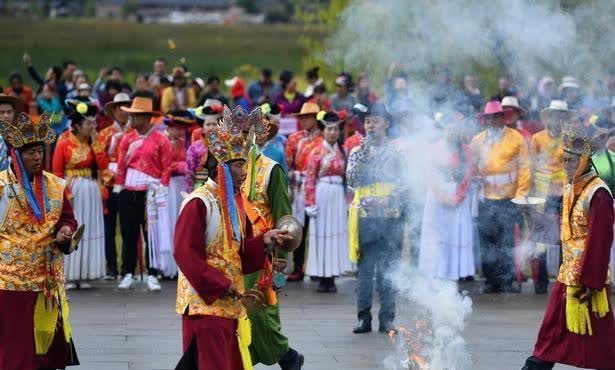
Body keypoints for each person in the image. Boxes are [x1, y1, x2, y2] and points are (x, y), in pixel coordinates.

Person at [173, 105, 291, 370]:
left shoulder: (235, 205)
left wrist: (266, 241)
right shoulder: (198, 203)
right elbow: (185, 255)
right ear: (222, 167)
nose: (245, 172)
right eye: (238, 166)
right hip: (205, 306)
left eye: (244, 165)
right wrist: (221, 283)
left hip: (231, 308)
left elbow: (241, 254)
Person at [521, 125, 615, 370]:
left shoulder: (599, 194)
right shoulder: (569, 188)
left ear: (584, 160)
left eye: (571, 161)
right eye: (563, 161)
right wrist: (533, 217)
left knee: (601, 342)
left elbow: (600, 243)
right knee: (551, 334)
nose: (566, 166)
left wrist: (590, 283)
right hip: (567, 275)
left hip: (586, 280)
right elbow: (563, 233)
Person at [0, 111, 79, 370]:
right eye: (30, 152)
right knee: (14, 350)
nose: (37, 157)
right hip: (9, 283)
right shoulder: (1, 187)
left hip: (46, 280)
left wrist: (65, 233)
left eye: (39, 151)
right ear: (16, 155)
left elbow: (68, 220)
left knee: (43, 350)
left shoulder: (55, 186)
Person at [240, 106, 304, 370]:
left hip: (263, 254)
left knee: (261, 313)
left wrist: (281, 261)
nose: (241, 139)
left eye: (246, 133)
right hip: (236, 251)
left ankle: (288, 358)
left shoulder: (271, 170)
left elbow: (284, 220)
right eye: (237, 134)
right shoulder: (227, 170)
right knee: (239, 314)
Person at [346, 103, 403, 334]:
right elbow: (351, 181)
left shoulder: (396, 153)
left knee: (388, 269)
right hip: (365, 217)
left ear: (386, 124)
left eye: (376, 121)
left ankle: (387, 318)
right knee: (365, 269)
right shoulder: (356, 151)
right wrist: (363, 155)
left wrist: (390, 197)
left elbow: (406, 182)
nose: (371, 126)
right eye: (368, 121)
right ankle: (363, 317)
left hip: (389, 215)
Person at [471, 101, 530, 293]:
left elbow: (525, 168)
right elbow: (470, 166)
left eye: (496, 116)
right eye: (489, 117)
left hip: (509, 197)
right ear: (485, 119)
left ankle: (507, 280)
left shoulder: (516, 138)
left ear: (503, 118)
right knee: (487, 239)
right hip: (485, 197)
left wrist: (521, 195)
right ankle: (490, 280)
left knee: (506, 241)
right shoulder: (478, 140)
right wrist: (474, 177)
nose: (493, 120)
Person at [115, 97, 172, 291]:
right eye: (131, 115)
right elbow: (121, 165)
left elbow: (166, 167)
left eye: (135, 116)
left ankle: (153, 273)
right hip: (129, 191)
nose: (131, 118)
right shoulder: (127, 138)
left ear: (147, 118)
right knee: (128, 234)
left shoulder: (161, 140)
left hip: (151, 193)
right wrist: (119, 187)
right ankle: (128, 273)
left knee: (151, 235)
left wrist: (162, 189)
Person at [53, 99, 107, 289]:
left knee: (89, 228)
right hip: (73, 189)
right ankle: (70, 274)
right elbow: (57, 172)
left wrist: (96, 144)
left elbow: (103, 165)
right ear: (76, 125)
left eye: (94, 123)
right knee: (72, 228)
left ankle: (86, 274)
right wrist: (66, 193)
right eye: (88, 124)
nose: (93, 127)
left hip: (91, 189)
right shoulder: (64, 142)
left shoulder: (94, 142)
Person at [419, 113, 475, 281]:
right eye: (448, 127)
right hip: (438, 194)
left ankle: (454, 272)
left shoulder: (466, 150)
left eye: (455, 128)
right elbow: (430, 175)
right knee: (438, 234)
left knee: (454, 233)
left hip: (458, 193)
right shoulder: (434, 148)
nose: (451, 131)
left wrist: (459, 196)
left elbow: (468, 174)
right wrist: (443, 197)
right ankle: (437, 271)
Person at [304, 111, 351, 292]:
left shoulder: (343, 151)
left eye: (336, 129)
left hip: (338, 194)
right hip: (322, 193)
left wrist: (349, 200)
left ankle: (332, 275)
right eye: (329, 129)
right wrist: (310, 203)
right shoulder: (316, 151)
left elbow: (348, 178)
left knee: (336, 232)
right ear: (323, 131)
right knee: (322, 233)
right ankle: (322, 276)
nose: (332, 133)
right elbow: (309, 178)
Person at [528, 100, 567, 294]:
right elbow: (531, 165)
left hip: (564, 193)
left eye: (561, 115)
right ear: (548, 117)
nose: (557, 119)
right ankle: (540, 283)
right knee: (542, 239)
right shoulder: (537, 138)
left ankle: (564, 280)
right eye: (554, 115)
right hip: (543, 194)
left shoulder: (570, 138)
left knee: (565, 236)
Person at [284, 102, 323, 281]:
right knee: (299, 228)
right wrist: (292, 186)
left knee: (318, 228)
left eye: (308, 117)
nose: (305, 121)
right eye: (302, 118)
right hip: (300, 189)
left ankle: (318, 268)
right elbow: (288, 166)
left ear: (315, 119)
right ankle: (298, 267)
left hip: (319, 188)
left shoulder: (324, 139)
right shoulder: (294, 139)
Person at [97, 92, 132, 280]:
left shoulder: (134, 133)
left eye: (127, 107)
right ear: (114, 110)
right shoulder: (104, 134)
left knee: (128, 227)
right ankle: (111, 266)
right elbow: (98, 159)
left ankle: (127, 267)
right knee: (109, 227)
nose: (123, 111)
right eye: (120, 107)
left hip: (128, 183)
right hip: (109, 184)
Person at [164, 110, 193, 278]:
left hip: (185, 184)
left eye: (183, 127)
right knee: (171, 222)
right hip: (171, 185)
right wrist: (180, 166)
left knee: (184, 225)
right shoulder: (165, 142)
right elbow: (163, 165)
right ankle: (170, 266)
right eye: (177, 127)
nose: (180, 130)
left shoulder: (187, 142)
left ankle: (184, 264)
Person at [186, 101, 223, 191]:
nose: (211, 127)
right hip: (199, 186)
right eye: (208, 124)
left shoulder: (224, 146)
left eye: (214, 124)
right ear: (202, 128)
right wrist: (189, 190)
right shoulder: (195, 147)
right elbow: (189, 171)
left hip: (220, 186)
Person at [256, 103, 287, 174]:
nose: (277, 126)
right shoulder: (249, 149)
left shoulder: (282, 140)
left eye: (278, 123)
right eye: (275, 122)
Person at [0, 94, 22, 171]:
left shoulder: (20, 134)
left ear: (14, 113)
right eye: (2, 112)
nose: (6, 115)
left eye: (9, 112)